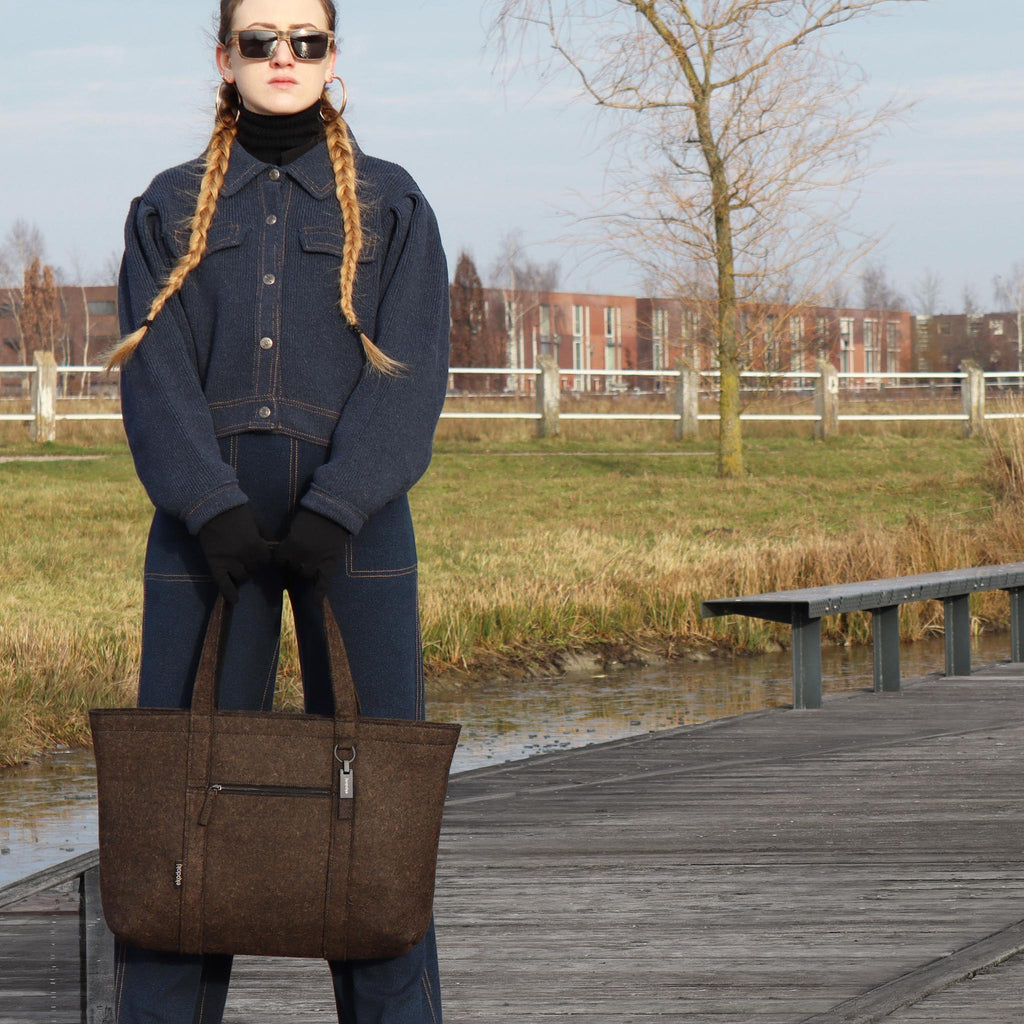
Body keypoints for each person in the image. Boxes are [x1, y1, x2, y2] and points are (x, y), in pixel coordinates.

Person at [108, 0, 450, 1021]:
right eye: (261, 41)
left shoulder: (391, 206)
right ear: (225, 58)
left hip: (357, 527)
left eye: (306, 40)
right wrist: (207, 505)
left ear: (333, 55)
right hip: (204, 537)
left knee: (381, 811)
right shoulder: (166, 209)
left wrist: (338, 505)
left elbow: (414, 368)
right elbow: (151, 374)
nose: (284, 57)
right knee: (177, 807)